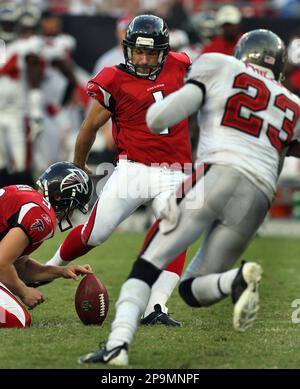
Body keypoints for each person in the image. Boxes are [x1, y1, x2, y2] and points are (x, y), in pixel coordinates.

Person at [79, 29, 300, 366]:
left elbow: (158, 118)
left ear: (241, 52)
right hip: (258, 199)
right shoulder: (293, 103)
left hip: (219, 173)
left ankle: (117, 346)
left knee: (147, 264)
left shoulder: (219, 65)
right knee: (191, 288)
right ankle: (235, 279)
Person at [46, 14, 193, 327]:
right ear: (127, 49)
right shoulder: (113, 77)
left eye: (151, 52)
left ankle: (155, 307)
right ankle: (46, 268)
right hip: (133, 169)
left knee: (174, 232)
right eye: (138, 51)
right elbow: (89, 126)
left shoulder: (181, 64)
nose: (142, 59)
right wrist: (78, 166)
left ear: (165, 51)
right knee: (95, 233)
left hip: (177, 170)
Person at [0, 161, 94, 328]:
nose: (70, 213)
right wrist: (24, 292)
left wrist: (62, 271)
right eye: (73, 206)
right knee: (18, 319)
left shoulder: (26, 193)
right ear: (60, 197)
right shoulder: (41, 214)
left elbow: (20, 266)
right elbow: (1, 263)